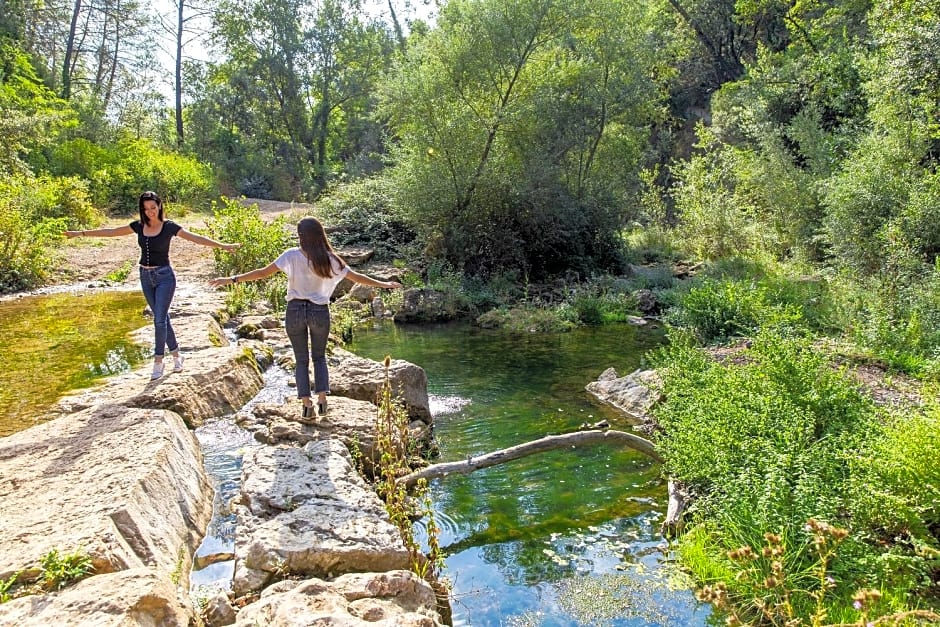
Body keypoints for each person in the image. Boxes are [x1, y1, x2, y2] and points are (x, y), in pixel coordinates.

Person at [210, 216, 402, 418]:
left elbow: (261, 273)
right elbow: (357, 277)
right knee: (319, 357)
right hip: (319, 311)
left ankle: (306, 406)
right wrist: (385, 284)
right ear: (321, 234)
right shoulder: (330, 259)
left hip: (294, 311)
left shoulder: (291, 255)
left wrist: (231, 279)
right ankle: (322, 401)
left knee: (301, 360)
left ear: (300, 236)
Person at [64, 190, 241, 380]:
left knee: (159, 320)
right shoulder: (139, 226)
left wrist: (222, 246)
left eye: (153, 207)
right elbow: (111, 232)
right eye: (146, 208)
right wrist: (80, 233)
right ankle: (176, 355)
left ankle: (158, 361)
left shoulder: (169, 227)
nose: (150, 212)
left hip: (165, 276)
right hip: (145, 276)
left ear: (159, 206)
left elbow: (195, 238)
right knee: (161, 317)